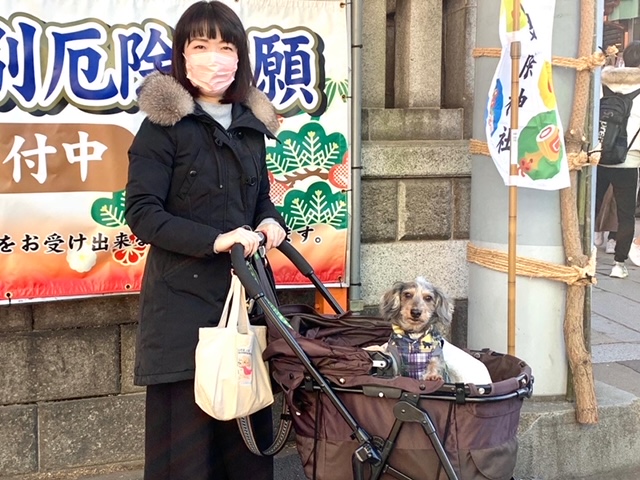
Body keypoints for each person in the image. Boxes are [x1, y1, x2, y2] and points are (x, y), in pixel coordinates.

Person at [124, 2, 286, 479]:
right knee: (186, 458)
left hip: (245, 305)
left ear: (240, 56)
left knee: (246, 445)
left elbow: (258, 199)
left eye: (225, 46)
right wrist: (215, 240)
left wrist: (270, 220)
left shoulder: (250, 127)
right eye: (200, 46)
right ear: (183, 55)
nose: (214, 57)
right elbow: (143, 214)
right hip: (182, 313)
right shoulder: (161, 129)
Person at [596, 41, 640, 278]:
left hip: (599, 156)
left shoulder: (603, 81)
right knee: (625, 214)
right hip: (628, 159)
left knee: (591, 207)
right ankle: (618, 264)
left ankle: (585, 253)